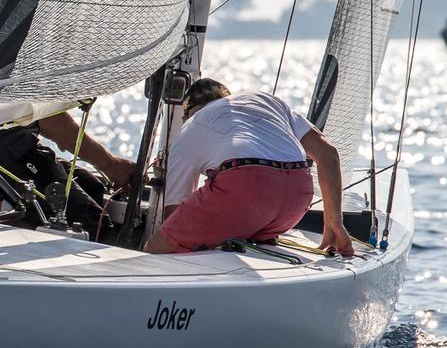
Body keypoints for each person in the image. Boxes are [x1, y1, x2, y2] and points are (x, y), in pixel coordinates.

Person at [0, 0, 136, 237]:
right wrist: (110, 164)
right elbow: (48, 119)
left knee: (92, 185)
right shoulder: (17, 27)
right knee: (91, 221)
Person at [144, 78, 353, 256]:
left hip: (246, 192)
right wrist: (334, 222)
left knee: (160, 246)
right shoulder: (263, 100)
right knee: (245, 221)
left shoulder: (190, 127)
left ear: (187, 114)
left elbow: (174, 217)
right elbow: (328, 154)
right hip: (295, 200)